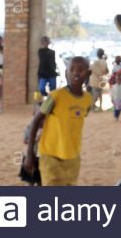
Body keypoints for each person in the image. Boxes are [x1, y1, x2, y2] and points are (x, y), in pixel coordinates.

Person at [23, 56, 92, 186]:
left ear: (88, 73)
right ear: (66, 73)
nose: (76, 73)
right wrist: (30, 153)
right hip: (50, 156)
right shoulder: (56, 96)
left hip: (73, 158)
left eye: (81, 70)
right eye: (72, 69)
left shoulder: (87, 100)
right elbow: (36, 121)